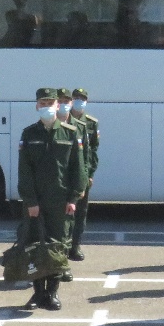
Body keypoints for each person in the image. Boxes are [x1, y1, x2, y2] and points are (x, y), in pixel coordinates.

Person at [16, 87, 87, 311]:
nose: (46, 107)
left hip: (60, 200)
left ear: (58, 106)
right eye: (43, 104)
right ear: (37, 106)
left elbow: (78, 168)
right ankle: (38, 293)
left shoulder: (70, 133)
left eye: (50, 103)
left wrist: (74, 197)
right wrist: (30, 201)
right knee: (35, 246)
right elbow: (24, 171)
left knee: (58, 247)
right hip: (36, 201)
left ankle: (52, 293)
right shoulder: (29, 134)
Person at [66, 87, 100, 262]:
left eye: (82, 98)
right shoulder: (64, 120)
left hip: (82, 175)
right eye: (76, 98)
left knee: (80, 212)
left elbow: (92, 151)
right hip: (66, 174)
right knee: (65, 212)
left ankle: (75, 246)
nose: (79, 101)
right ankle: (62, 246)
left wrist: (90, 174)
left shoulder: (91, 123)